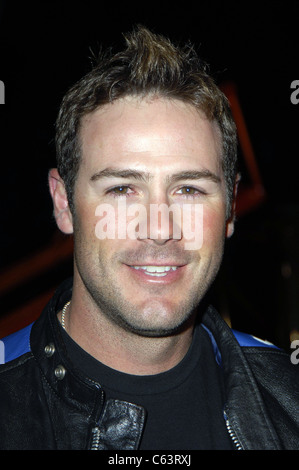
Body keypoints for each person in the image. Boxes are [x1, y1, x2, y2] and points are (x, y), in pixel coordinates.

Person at [0, 26, 298, 451]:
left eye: (189, 189)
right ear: (63, 203)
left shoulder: (289, 396)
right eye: (122, 189)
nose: (160, 229)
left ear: (231, 207)